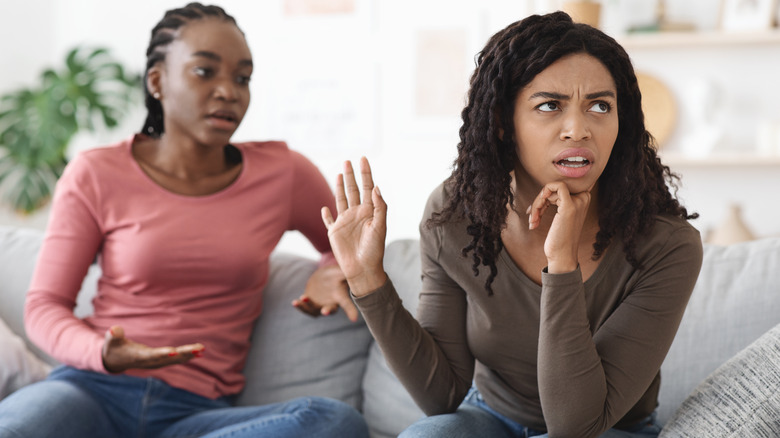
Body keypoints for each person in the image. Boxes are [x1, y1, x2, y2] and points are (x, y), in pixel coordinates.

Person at [322, 11, 703, 438]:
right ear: (504, 123)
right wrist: (368, 279)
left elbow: (577, 424)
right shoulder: (456, 213)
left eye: (600, 106)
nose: (578, 129)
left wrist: (560, 264)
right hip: (490, 419)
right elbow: (441, 397)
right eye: (549, 106)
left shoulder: (667, 244)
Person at [0, 3, 368, 438]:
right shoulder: (95, 173)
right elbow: (44, 307)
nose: (228, 91)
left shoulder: (284, 173)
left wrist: (332, 271)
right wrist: (103, 351)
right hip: (90, 392)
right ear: (157, 80)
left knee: (334, 422)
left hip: (195, 417)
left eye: (242, 78)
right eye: (204, 72)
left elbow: (349, 244)